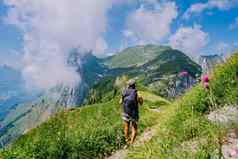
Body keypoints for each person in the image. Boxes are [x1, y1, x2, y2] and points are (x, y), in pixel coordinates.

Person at [121, 79, 142, 145]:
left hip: (125, 112)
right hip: (134, 113)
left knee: (126, 127)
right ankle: (132, 143)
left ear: (128, 85)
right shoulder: (136, 92)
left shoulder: (124, 92)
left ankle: (127, 141)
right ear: (134, 85)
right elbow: (141, 103)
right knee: (134, 128)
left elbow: (120, 102)